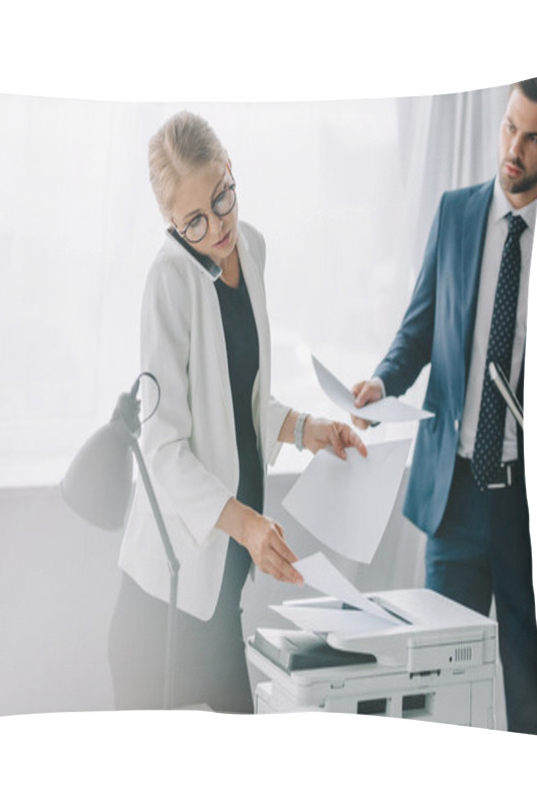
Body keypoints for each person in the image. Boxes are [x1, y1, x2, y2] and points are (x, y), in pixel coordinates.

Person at [108, 110, 367, 713]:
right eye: (194, 221)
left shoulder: (250, 250)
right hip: (164, 606)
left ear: (230, 170)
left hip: (220, 590)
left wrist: (307, 430)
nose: (216, 226)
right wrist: (247, 524)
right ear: (170, 223)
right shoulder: (168, 280)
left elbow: (236, 400)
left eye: (222, 199)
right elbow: (164, 447)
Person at [351, 76, 537, 735]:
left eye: (533, 138)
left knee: (533, 690)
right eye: (508, 128)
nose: (513, 149)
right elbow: (418, 331)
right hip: (456, 495)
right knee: (439, 692)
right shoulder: (457, 212)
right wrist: (382, 384)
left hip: (529, 503)